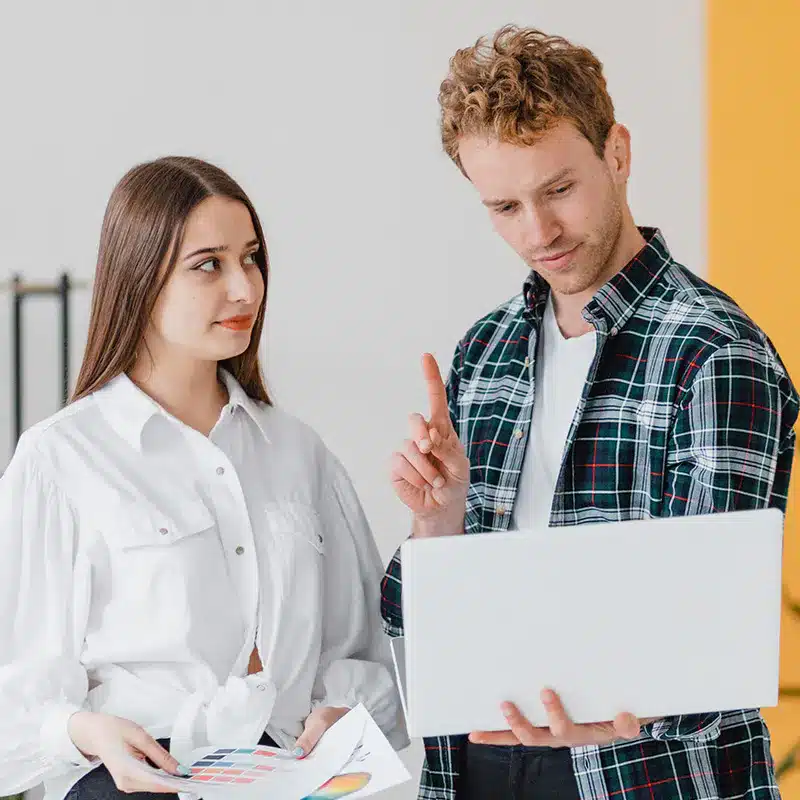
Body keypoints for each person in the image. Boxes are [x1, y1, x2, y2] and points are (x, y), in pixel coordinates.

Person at [381, 25, 799, 800]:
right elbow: (412, 629)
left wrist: (610, 712)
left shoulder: (715, 352)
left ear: (618, 153)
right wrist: (436, 525)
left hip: (640, 775)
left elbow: (720, 636)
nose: (537, 232)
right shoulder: (484, 352)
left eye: (559, 190)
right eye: (504, 206)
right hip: (476, 766)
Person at [0, 156, 405, 800]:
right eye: (208, 265)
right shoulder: (61, 459)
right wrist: (84, 731)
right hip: (132, 784)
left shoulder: (299, 453)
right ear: (139, 279)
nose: (245, 289)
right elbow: (15, 697)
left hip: (285, 779)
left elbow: (366, 656)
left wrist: (343, 713)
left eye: (251, 259)